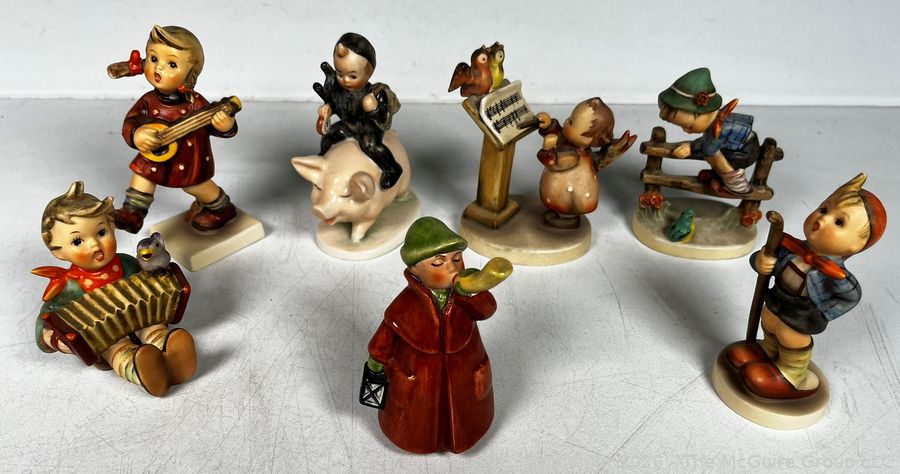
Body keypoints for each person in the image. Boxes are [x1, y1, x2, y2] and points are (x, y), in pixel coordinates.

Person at [726, 173, 886, 399]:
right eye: (823, 209)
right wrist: (761, 262)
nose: (823, 219)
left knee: (790, 335)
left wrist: (822, 313)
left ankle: (792, 374)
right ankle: (767, 352)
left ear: (856, 245)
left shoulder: (836, 276)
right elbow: (766, 258)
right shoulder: (790, 247)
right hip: (777, 298)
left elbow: (851, 297)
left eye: (839, 222)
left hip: (801, 311)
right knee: (769, 322)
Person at [33, 182, 197, 396]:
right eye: (78, 241)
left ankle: (172, 352)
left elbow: (149, 283)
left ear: (112, 227)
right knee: (117, 351)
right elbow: (46, 317)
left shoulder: (126, 263)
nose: (95, 245)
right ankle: (143, 369)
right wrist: (51, 338)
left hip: (142, 319)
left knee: (154, 327)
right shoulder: (69, 286)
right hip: (108, 339)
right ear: (58, 252)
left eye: (101, 232)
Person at [365, 217, 505, 453]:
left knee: (463, 411)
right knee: (420, 418)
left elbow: (487, 309)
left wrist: (473, 292)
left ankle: (466, 432)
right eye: (438, 263)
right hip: (417, 384)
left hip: (464, 375)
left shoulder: (465, 299)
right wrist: (374, 371)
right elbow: (381, 344)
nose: (452, 267)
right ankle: (418, 437)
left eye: (457, 259)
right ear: (415, 270)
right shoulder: (402, 308)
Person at [115, 25, 240, 233]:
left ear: (190, 75)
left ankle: (222, 209)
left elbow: (213, 125)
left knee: (196, 186)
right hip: (156, 154)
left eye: (171, 64)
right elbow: (131, 121)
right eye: (153, 58)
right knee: (142, 176)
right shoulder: (148, 100)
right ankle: (133, 213)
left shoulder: (195, 103)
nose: (158, 68)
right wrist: (136, 134)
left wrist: (225, 124)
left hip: (189, 158)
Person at [314, 33, 402, 189]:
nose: (345, 80)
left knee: (369, 145)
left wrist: (374, 107)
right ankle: (323, 159)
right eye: (340, 74)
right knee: (330, 135)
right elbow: (336, 104)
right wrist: (328, 109)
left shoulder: (374, 93)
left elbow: (384, 115)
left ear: (368, 72)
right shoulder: (339, 90)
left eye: (353, 76)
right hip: (349, 125)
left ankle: (391, 168)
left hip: (368, 129)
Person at [658, 67, 759, 195]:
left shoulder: (719, 128)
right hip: (736, 147)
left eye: (689, 126)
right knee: (709, 151)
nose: (685, 131)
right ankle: (718, 175)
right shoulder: (714, 124)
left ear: (703, 114)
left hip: (744, 152)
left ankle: (737, 184)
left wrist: (691, 148)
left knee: (711, 153)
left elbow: (708, 147)